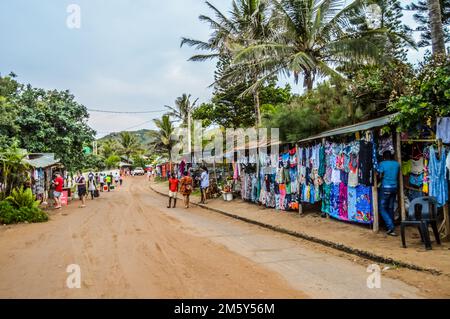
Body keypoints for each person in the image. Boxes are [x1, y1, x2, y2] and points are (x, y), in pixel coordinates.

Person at [377, 151, 400, 236]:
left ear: (384, 157)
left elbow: (379, 175)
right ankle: (390, 226)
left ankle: (390, 227)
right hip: (394, 188)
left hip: (386, 187)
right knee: (390, 207)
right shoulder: (397, 164)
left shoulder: (382, 163)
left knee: (382, 208)